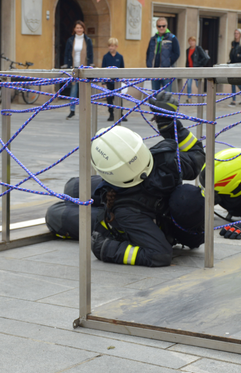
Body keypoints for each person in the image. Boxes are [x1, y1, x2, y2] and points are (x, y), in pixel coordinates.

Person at [46, 93, 206, 267]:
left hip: (122, 210)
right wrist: (168, 123)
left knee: (54, 214)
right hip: (124, 195)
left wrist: (104, 247)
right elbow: (197, 155)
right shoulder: (169, 162)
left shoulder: (128, 212)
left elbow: (159, 255)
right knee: (72, 187)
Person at [63, 20, 94, 120]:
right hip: (74, 67)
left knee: (84, 89)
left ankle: (85, 110)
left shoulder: (87, 40)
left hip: (84, 67)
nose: (79, 29)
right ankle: (72, 110)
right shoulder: (71, 40)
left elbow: (90, 54)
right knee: (74, 89)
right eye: (77, 28)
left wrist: (90, 66)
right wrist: (66, 65)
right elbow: (67, 53)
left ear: (83, 29)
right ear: (74, 29)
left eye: (80, 28)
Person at [146, 17, 180, 92]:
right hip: (154, 71)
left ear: (166, 26)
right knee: (155, 94)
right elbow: (148, 53)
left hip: (166, 71)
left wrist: (169, 62)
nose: (161, 28)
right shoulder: (152, 39)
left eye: (163, 26)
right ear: (157, 27)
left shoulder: (172, 38)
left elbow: (177, 53)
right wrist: (149, 65)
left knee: (167, 95)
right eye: (159, 26)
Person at [101, 37, 126, 122]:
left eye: (112, 46)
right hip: (109, 81)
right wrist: (103, 82)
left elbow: (122, 69)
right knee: (109, 98)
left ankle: (120, 113)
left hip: (118, 81)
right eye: (109, 46)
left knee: (119, 98)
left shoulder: (120, 57)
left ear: (116, 46)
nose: (111, 48)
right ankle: (111, 113)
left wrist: (123, 80)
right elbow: (103, 69)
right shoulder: (105, 57)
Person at [229, 28, 241, 105]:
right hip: (232, 64)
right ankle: (233, 100)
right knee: (232, 82)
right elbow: (232, 53)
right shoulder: (233, 43)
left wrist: (239, 55)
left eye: (237, 33)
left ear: (240, 34)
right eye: (235, 33)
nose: (236, 35)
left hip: (239, 64)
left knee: (237, 81)